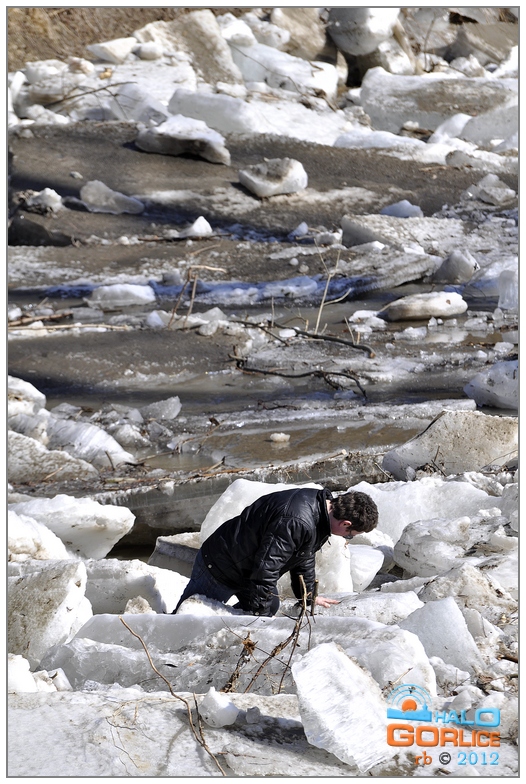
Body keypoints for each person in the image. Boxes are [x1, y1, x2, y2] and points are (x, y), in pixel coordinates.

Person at [173, 485, 378, 617]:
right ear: (345, 523)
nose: (347, 538)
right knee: (186, 618)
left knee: (270, 606)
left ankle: (224, 629)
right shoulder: (297, 521)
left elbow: (304, 556)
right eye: (350, 535)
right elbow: (266, 568)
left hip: (246, 568)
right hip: (220, 567)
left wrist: (307, 596)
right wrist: (260, 618)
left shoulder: (320, 511)